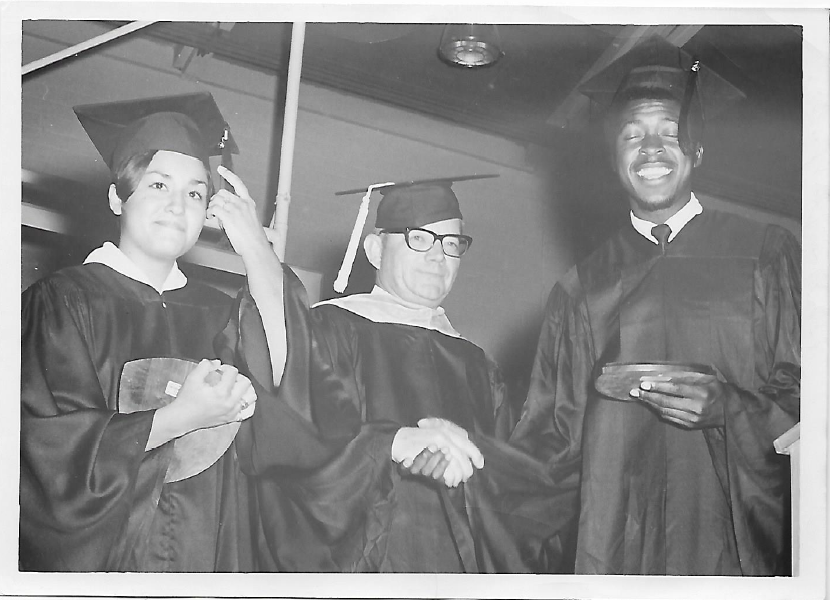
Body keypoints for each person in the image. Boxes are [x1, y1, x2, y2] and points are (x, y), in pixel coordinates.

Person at [510, 35, 801, 576]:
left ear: (697, 151)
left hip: (737, 548)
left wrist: (731, 409)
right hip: (618, 550)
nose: (650, 149)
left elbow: (807, 394)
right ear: (613, 156)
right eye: (632, 135)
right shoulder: (581, 289)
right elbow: (549, 443)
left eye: (670, 133)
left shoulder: (766, 253)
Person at [235, 177, 573, 573]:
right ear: (375, 250)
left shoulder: (480, 367)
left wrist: (472, 463)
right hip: (366, 570)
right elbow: (301, 437)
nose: (438, 256)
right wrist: (390, 446)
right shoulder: (329, 330)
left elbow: (516, 496)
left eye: (451, 244)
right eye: (419, 238)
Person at [20, 92, 286, 571]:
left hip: (207, 557)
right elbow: (42, 455)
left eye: (195, 193)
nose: (177, 206)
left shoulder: (221, 313)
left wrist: (255, 249)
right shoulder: (62, 301)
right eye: (158, 185)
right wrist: (178, 418)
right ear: (117, 197)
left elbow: (288, 411)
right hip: (110, 561)